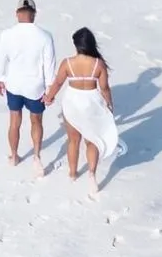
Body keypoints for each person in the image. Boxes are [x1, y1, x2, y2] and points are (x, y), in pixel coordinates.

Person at [45, 27, 118, 190]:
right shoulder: (98, 64)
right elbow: (105, 87)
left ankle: (72, 173)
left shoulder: (68, 63)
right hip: (91, 101)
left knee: (73, 140)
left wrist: (49, 97)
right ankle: (92, 174)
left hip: (72, 101)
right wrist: (109, 104)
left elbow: (57, 83)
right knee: (92, 140)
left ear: (77, 45)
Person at [0, 0, 57, 168]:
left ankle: (14, 156)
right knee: (37, 121)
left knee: (14, 121)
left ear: (17, 13)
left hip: (14, 85)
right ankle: (36, 157)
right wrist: (50, 89)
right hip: (35, 87)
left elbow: (0, 61)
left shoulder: (7, 35)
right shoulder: (45, 36)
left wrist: (0, 79)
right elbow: (50, 66)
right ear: (34, 14)